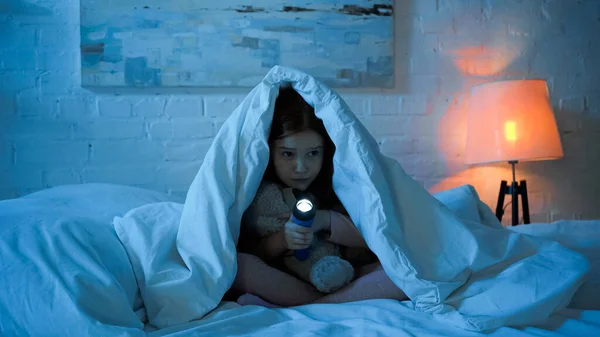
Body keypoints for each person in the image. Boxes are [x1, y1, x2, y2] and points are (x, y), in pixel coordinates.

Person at [228, 87, 408, 308]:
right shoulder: (260, 195)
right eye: (288, 154)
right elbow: (253, 250)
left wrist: (324, 220)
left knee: (406, 270)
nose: (301, 167)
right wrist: (283, 240)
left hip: (345, 273)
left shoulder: (342, 183)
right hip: (290, 278)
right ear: (270, 152)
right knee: (238, 265)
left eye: (313, 153)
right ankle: (328, 304)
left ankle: (308, 305)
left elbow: (377, 236)